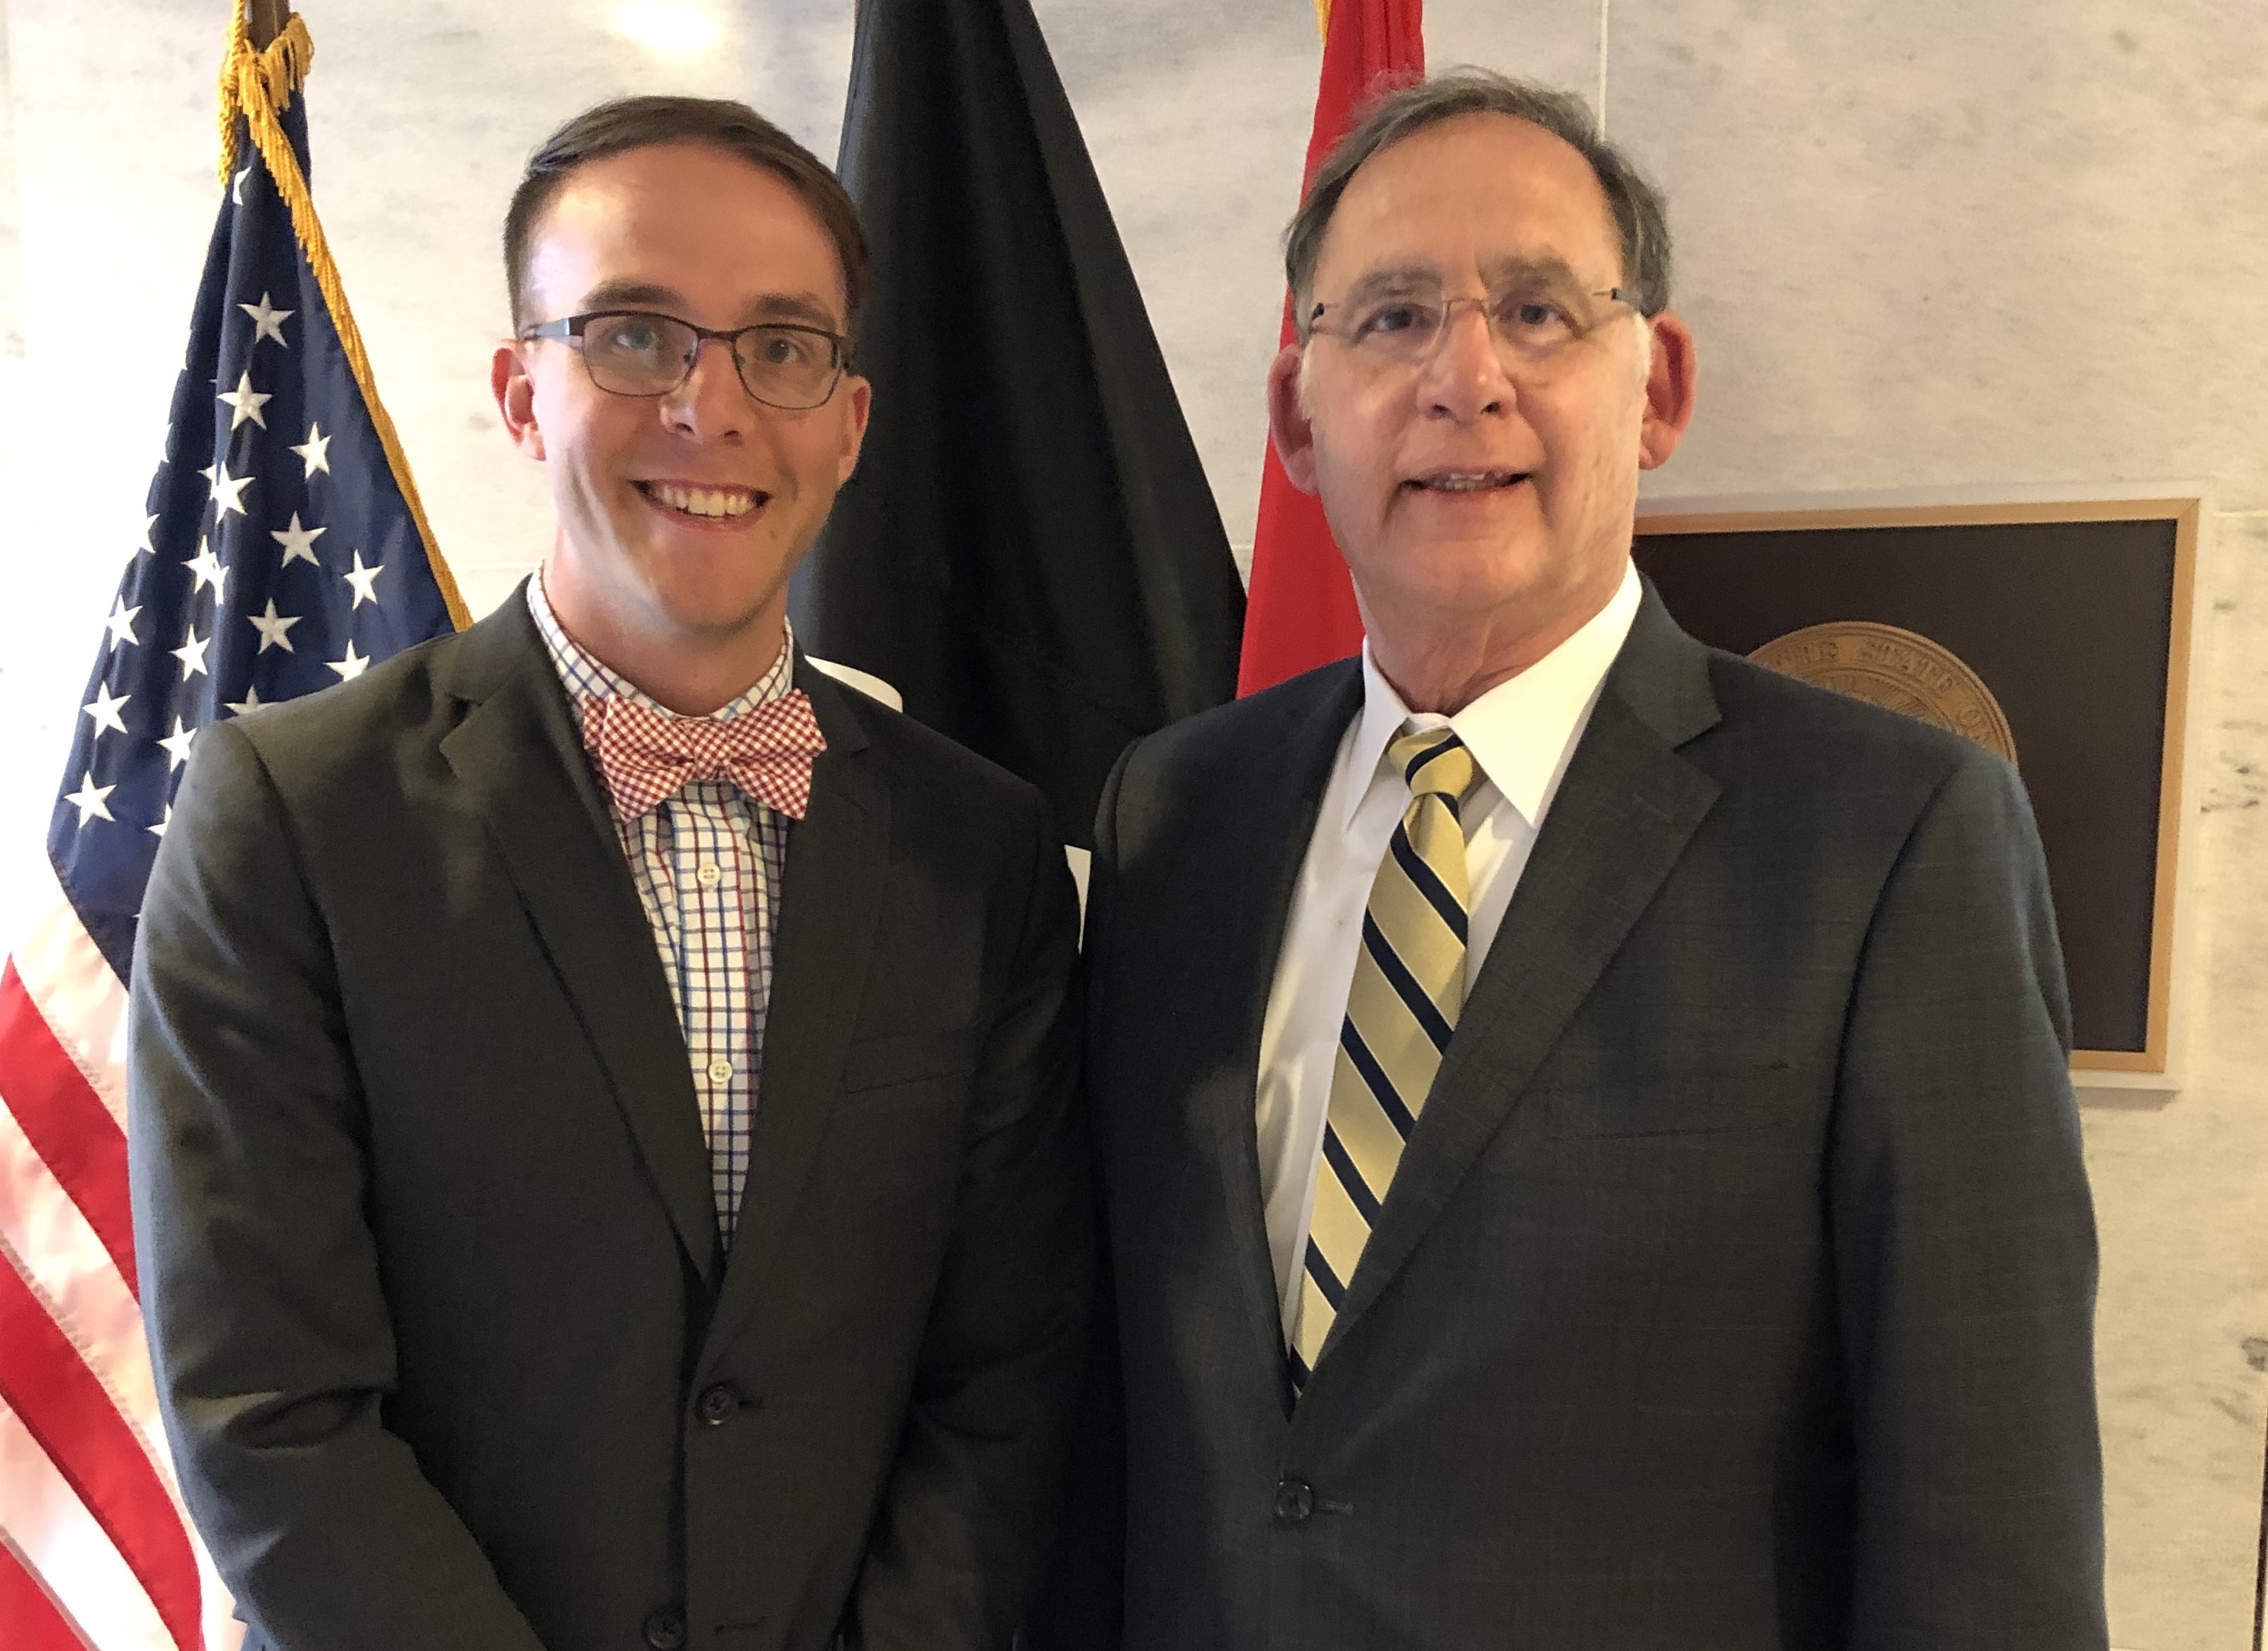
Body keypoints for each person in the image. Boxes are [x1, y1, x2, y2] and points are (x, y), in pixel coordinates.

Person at [1064, 70, 2105, 1649]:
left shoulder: (1895, 840)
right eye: (1392, 316)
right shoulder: (1172, 816)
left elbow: (1989, 1529)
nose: (1462, 376)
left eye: (1540, 312)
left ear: (1659, 385)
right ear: (1294, 413)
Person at [130, 96, 1088, 1651]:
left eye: (782, 346)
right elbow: (273, 1418)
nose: (711, 408)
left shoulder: (981, 850)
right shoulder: (289, 821)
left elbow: (1009, 1384)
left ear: (849, 422)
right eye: (635, 336)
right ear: (523, 394)